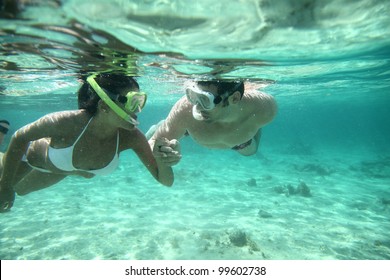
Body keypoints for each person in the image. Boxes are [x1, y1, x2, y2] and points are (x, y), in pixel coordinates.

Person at [0, 73, 180, 212]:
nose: (137, 111)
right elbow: (19, 138)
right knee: (5, 187)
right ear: (103, 107)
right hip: (27, 157)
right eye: (132, 102)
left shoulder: (131, 136)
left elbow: (166, 181)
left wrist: (163, 162)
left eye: (140, 102)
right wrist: (5, 185)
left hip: (62, 169)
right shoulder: (67, 121)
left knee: (21, 190)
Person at [147, 80, 277, 165]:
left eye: (205, 99)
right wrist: (162, 153)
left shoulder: (264, 108)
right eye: (194, 96)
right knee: (167, 128)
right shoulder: (185, 109)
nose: (197, 106)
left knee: (251, 152)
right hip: (191, 130)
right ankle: (161, 124)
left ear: (235, 98)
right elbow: (152, 142)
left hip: (240, 140)